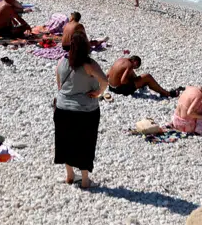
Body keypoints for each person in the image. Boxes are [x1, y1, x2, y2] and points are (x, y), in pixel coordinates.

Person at [54, 32, 106, 188]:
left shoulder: (62, 61)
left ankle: (69, 176)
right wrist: (98, 93)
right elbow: (104, 81)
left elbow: (58, 84)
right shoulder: (89, 64)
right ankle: (84, 180)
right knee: (85, 143)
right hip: (85, 110)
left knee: (65, 141)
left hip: (63, 107)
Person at [107, 54, 174, 97]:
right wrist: (132, 80)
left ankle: (141, 83)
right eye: (135, 67)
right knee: (148, 76)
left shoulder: (120, 60)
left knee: (131, 73)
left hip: (111, 87)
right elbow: (123, 81)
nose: (134, 68)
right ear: (135, 63)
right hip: (119, 90)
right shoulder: (129, 66)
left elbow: (108, 74)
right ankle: (166, 93)